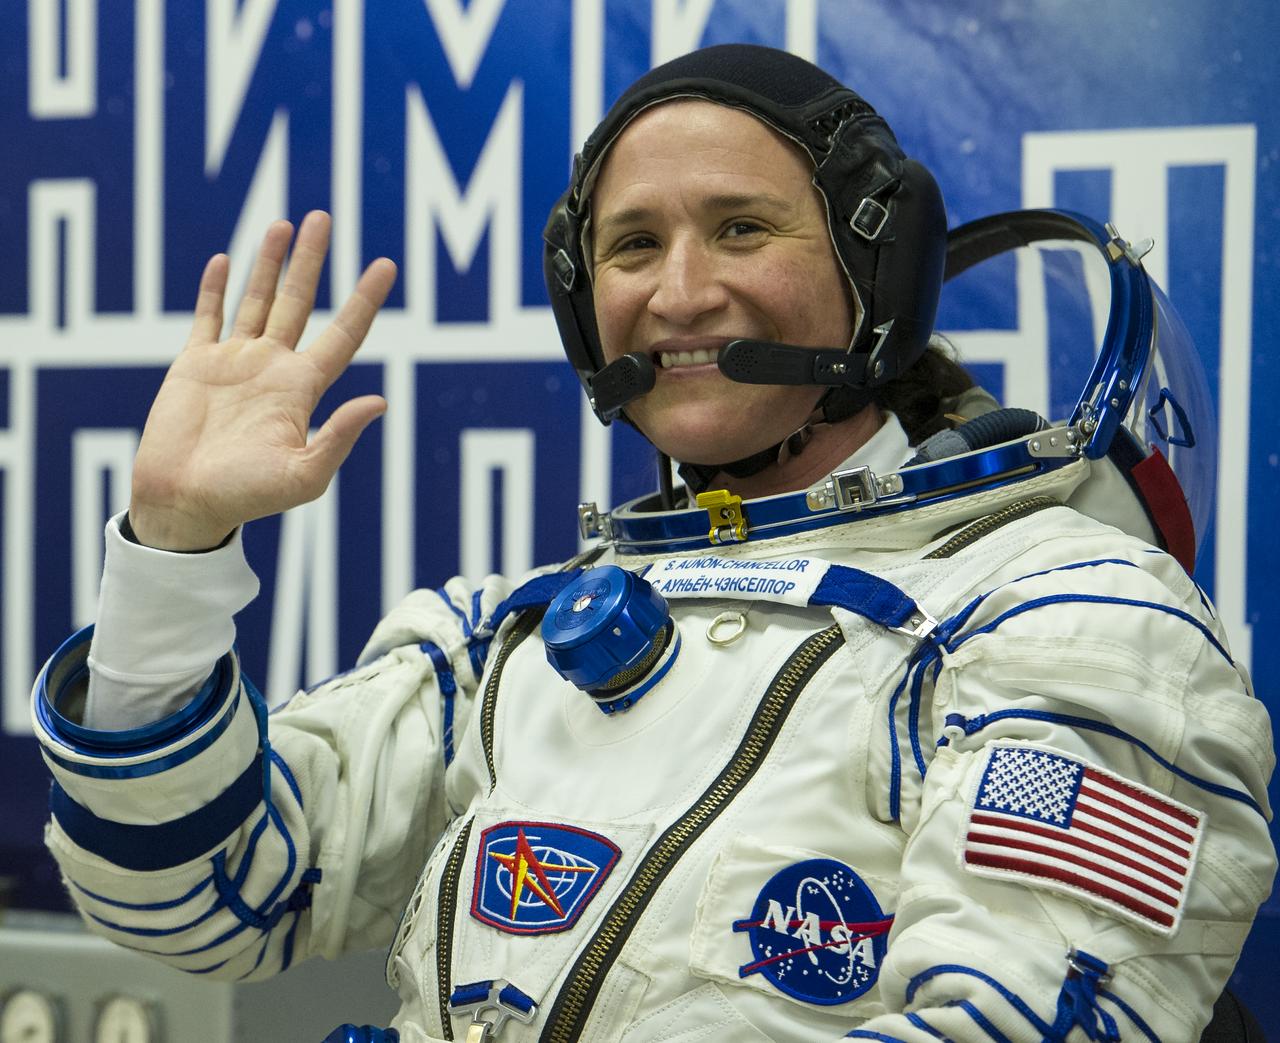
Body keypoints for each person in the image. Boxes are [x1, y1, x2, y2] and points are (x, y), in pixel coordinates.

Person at [31, 44, 1275, 1042]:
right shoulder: (502, 642)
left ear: (875, 271)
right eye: (633, 245)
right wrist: (175, 548)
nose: (677, 293)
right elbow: (201, 896)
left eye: (740, 229)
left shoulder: (1069, 619)